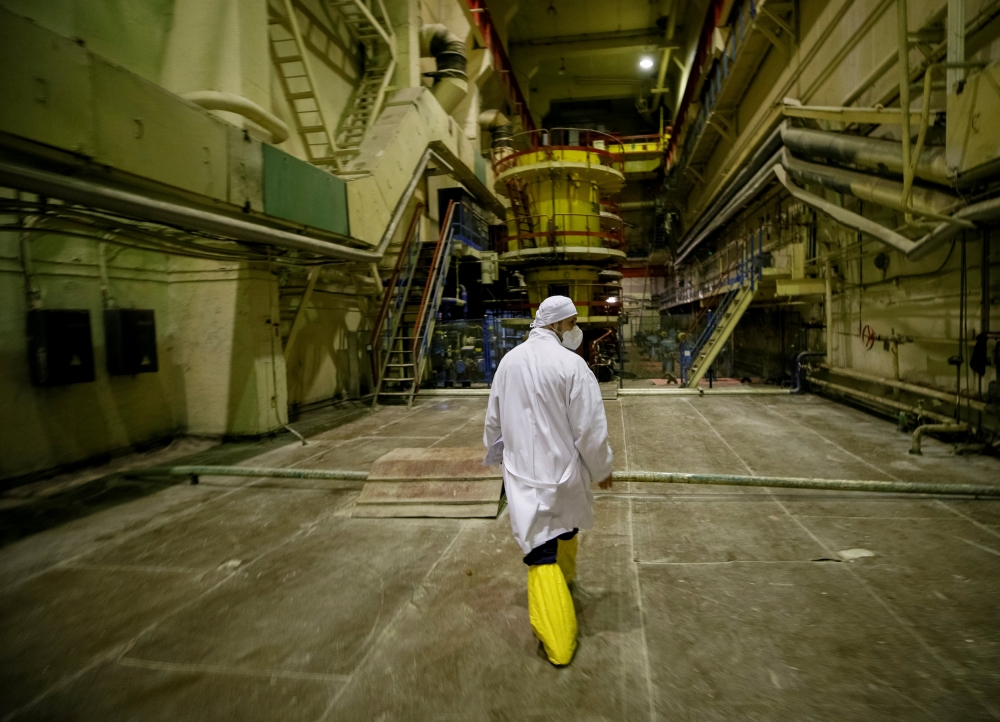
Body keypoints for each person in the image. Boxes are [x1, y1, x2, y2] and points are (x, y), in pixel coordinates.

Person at [484, 295, 614, 666]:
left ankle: (560, 585)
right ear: (557, 325)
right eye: (572, 324)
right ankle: (559, 644)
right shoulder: (572, 366)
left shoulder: (509, 363)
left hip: (523, 478)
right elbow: (589, 429)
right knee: (563, 530)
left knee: (542, 546)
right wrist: (602, 468)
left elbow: (493, 422)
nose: (576, 331)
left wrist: (496, 457)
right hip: (564, 475)